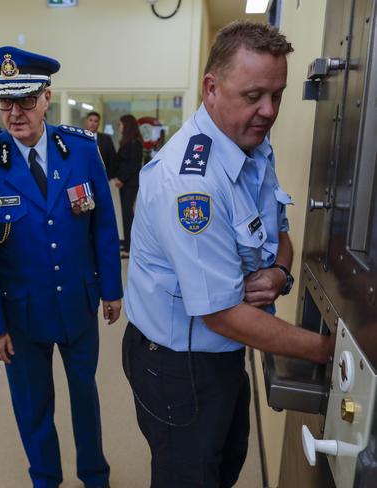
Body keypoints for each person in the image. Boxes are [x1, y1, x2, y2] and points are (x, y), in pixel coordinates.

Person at [122, 21, 333, 488]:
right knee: (191, 475)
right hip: (179, 363)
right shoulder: (192, 183)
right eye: (254, 95)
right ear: (211, 88)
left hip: (226, 353)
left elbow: (281, 234)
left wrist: (280, 271)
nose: (268, 111)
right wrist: (328, 350)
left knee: (224, 464)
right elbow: (219, 313)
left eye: (277, 96)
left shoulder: (253, 149)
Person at [0, 46, 122, 488]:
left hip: (78, 300)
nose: (15, 113)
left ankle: (95, 476)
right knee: (33, 406)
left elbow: (103, 226)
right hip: (21, 313)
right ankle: (45, 479)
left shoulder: (81, 150)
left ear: (47, 96)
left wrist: (112, 288)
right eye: (5, 102)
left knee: (85, 397)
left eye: (26, 101)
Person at [113, 114, 143, 259]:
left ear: (127, 125)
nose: (119, 127)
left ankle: (130, 246)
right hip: (126, 183)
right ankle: (127, 244)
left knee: (127, 214)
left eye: (121, 124)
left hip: (130, 183)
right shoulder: (127, 142)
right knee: (125, 214)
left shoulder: (134, 143)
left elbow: (133, 165)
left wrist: (122, 179)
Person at [84, 111, 117, 179]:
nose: (93, 123)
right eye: (90, 120)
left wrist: (107, 176)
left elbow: (112, 159)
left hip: (102, 177)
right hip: (83, 176)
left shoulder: (106, 139)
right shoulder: (79, 138)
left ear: (99, 123)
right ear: (86, 121)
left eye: (96, 121)